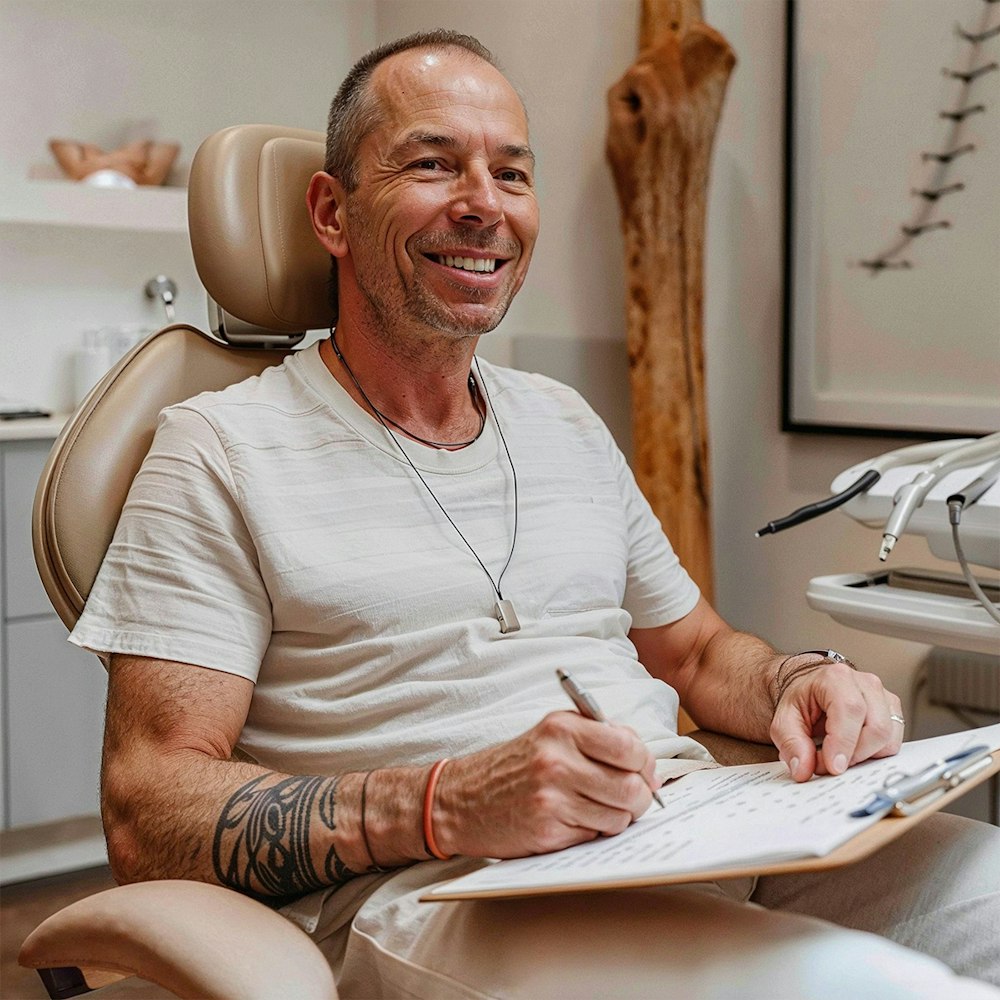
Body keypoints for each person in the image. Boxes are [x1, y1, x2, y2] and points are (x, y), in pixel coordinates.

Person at [71, 29, 999, 999]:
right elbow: (147, 810)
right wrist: (436, 806)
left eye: (510, 173)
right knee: (870, 987)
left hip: (692, 825)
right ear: (332, 212)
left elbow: (692, 652)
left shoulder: (562, 420)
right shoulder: (216, 450)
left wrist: (796, 680)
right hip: (447, 894)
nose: (483, 204)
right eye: (432, 164)